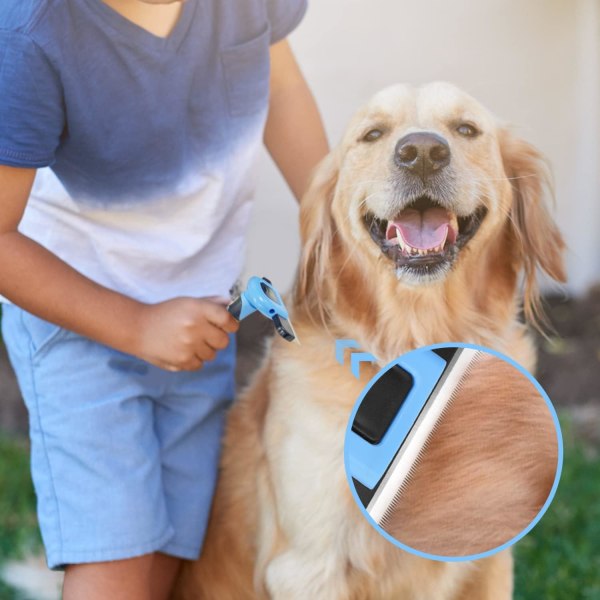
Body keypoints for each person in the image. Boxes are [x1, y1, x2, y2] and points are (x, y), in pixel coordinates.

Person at [0, 0, 329, 598]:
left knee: (170, 553)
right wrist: (133, 325)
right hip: (80, 320)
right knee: (117, 560)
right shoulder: (31, 34)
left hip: (199, 320)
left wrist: (333, 227)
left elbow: (283, 88)